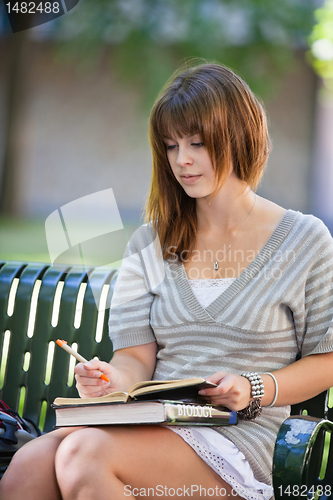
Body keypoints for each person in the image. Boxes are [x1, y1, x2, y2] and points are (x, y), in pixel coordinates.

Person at [1, 62, 333, 500]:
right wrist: (112, 380)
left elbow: (326, 359)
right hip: (152, 423)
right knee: (28, 466)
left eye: (197, 143)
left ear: (238, 136)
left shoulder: (304, 239)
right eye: (171, 145)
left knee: (85, 454)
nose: (183, 160)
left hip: (243, 439)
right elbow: (135, 359)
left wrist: (254, 386)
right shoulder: (150, 242)